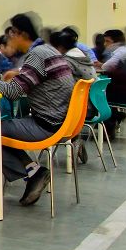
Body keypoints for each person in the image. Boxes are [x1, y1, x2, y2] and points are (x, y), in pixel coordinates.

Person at [0, 13, 74, 207]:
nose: (9, 39)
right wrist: (18, 73)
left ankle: (32, 173)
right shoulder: (47, 50)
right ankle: (33, 171)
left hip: (46, 124)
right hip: (61, 120)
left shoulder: (36, 55)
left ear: (20, 34)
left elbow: (14, 92)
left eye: (11, 34)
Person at [50, 28, 97, 164]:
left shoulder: (66, 62)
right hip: (90, 106)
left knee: (43, 108)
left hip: (78, 109)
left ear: (59, 47)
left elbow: (56, 84)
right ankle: (75, 140)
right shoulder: (83, 57)